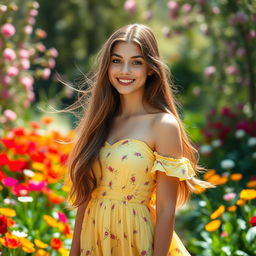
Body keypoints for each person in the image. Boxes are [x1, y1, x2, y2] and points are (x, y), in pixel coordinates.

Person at [66, 23, 216, 256]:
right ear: (107, 66)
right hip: (93, 240)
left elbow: (166, 209)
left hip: (137, 240)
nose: (124, 70)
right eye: (116, 60)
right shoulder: (99, 122)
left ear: (150, 69)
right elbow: (85, 199)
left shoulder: (163, 125)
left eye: (136, 62)